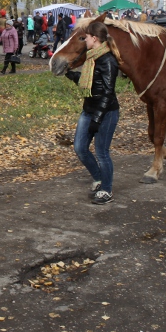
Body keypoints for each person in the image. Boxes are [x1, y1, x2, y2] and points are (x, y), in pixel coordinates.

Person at [64, 22, 120, 205]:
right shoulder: (91, 58)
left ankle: (107, 190)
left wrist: (97, 118)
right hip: (88, 110)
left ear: (94, 39)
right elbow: (90, 82)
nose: (85, 40)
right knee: (80, 148)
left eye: (86, 37)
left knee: (102, 153)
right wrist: (71, 75)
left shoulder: (108, 61)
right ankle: (99, 178)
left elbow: (107, 93)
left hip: (106, 112)